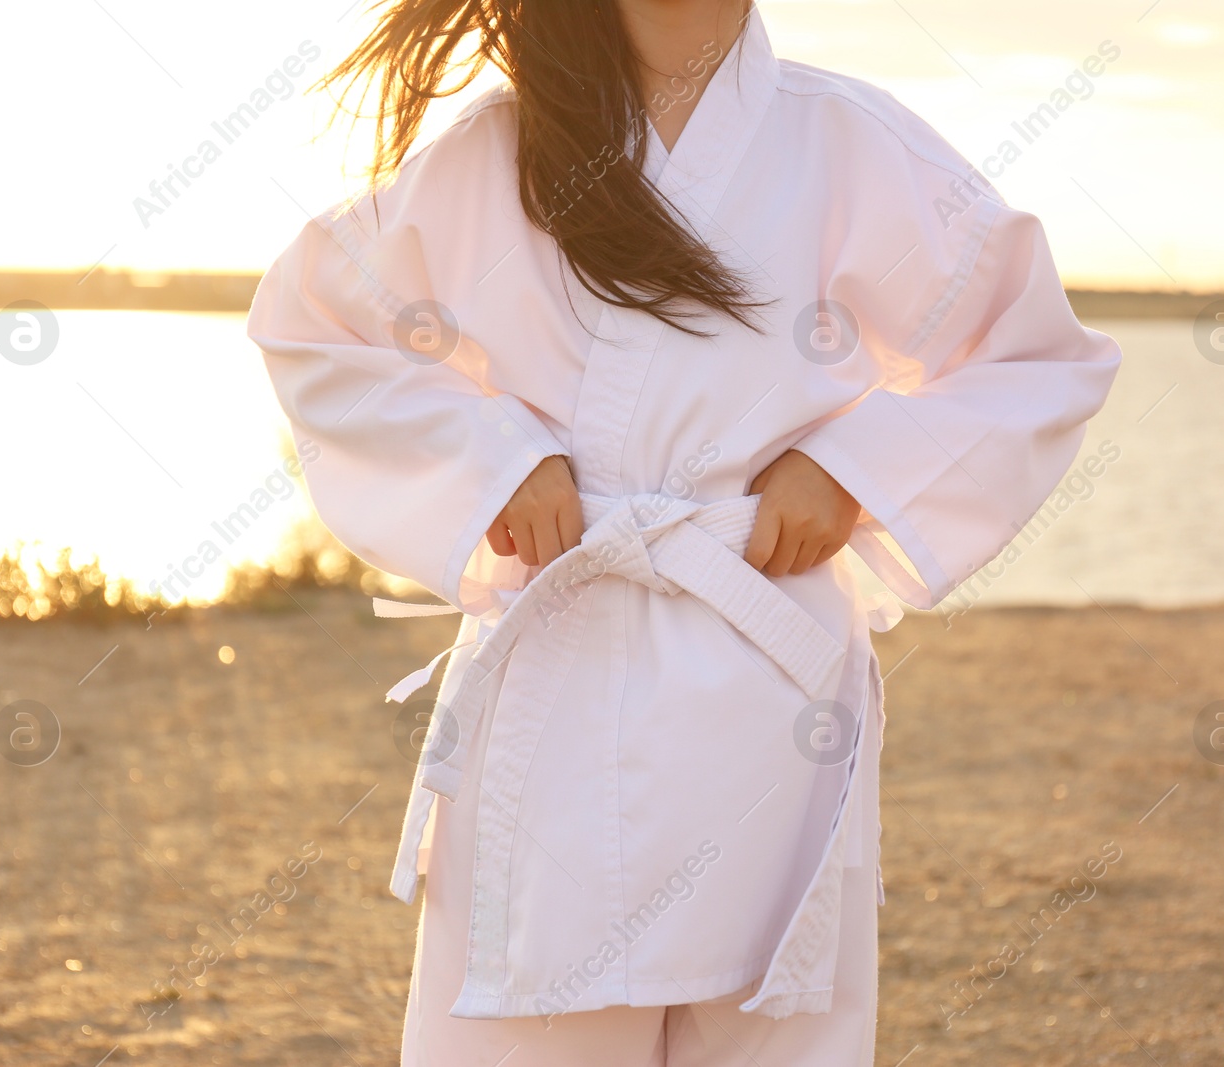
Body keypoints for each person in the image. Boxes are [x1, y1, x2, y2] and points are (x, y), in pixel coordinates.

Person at [247, 0, 1121, 1062]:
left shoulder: (848, 145)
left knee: (765, 1026)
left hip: (762, 663)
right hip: (558, 650)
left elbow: (1037, 358)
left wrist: (852, 469)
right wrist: (493, 459)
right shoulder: (495, 152)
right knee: (532, 1025)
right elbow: (312, 322)